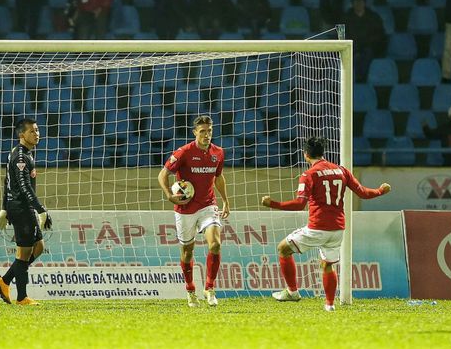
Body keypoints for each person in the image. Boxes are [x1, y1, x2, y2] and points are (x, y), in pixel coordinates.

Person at [261, 137, 391, 312]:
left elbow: (300, 204)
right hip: (337, 229)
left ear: (305, 155)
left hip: (317, 228)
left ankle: (292, 292)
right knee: (328, 264)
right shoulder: (341, 170)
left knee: (283, 249)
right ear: (323, 152)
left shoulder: (309, 175)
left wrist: (273, 204)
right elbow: (363, 193)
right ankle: (329, 305)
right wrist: (380, 190)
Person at [158, 115, 230, 307]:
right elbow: (163, 174)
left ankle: (209, 287)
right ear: (195, 133)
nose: (207, 135)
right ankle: (190, 290)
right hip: (185, 209)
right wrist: (169, 195)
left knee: (215, 244)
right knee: (187, 252)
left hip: (208, 205)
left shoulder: (218, 152)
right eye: (202, 131)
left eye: (209, 131)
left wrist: (225, 201)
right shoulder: (184, 152)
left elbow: (219, 177)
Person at [0, 118, 52, 306]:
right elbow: (24, 186)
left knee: (39, 247)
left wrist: (3, 208)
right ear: (22, 135)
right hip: (21, 208)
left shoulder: (23, 153)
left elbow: (7, 182)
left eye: (37, 130)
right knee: (24, 253)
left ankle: (5, 280)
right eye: (32, 131)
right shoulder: (20, 157)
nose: (37, 134)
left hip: (19, 206)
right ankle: (22, 297)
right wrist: (41, 210)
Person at [342, 0, 387, 83]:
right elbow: (341, 36)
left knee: (366, 54)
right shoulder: (345, 18)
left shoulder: (373, 17)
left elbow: (380, 35)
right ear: (352, 3)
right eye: (356, 1)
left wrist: (365, 45)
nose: (358, 4)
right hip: (352, 49)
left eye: (361, 1)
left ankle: (361, 79)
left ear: (365, 3)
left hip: (369, 49)